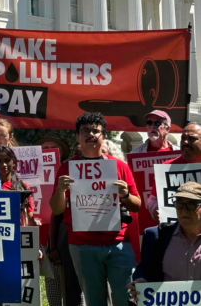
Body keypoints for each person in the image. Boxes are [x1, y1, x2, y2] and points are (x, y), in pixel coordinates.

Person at [49, 112, 140, 306]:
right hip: (82, 246)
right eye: (85, 131)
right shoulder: (66, 168)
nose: (91, 134)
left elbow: (137, 205)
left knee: (126, 300)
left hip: (119, 244)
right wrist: (59, 190)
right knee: (94, 301)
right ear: (77, 136)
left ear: (104, 136)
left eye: (96, 131)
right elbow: (56, 209)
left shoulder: (120, 166)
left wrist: (124, 195)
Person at [128, 182, 201, 301]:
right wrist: (141, 281)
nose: (184, 210)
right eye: (179, 204)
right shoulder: (156, 237)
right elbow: (145, 269)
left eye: (191, 204)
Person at [36, 136, 84, 306]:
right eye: (44, 147)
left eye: (52, 147)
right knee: (54, 284)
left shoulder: (67, 173)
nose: (48, 150)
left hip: (67, 235)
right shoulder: (29, 170)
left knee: (77, 284)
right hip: (46, 237)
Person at [147, 122, 201, 221]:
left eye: (192, 139)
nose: (185, 142)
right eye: (183, 138)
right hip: (176, 232)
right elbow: (152, 199)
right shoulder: (167, 167)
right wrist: (155, 209)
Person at [0, 145, 36, 226]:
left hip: (18, 233)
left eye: (7, 160)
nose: (4, 164)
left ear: (14, 162)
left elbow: (29, 217)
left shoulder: (23, 188)